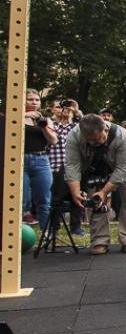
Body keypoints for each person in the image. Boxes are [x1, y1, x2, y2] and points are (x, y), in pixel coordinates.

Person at [65, 114, 126, 254]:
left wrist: (104, 192)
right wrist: (75, 192)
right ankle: (99, 241)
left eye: (99, 139)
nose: (95, 144)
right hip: (95, 169)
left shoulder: (122, 136)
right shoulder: (73, 136)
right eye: (90, 141)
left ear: (105, 129)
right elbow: (72, 165)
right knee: (96, 203)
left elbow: (123, 169)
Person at [47, 98, 84, 235]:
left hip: (74, 168)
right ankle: (54, 226)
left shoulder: (77, 126)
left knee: (77, 197)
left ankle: (76, 226)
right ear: (52, 110)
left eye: (67, 107)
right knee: (56, 199)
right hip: (55, 167)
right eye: (59, 107)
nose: (64, 109)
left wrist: (77, 111)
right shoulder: (50, 125)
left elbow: (90, 126)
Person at [23, 89, 58, 229]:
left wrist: (43, 127)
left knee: (44, 201)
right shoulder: (14, 116)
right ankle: (16, 237)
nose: (34, 103)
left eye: (37, 100)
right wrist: (24, 115)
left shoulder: (45, 119)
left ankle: (46, 235)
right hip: (20, 160)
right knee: (22, 201)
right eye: (30, 99)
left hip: (41, 160)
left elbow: (53, 140)